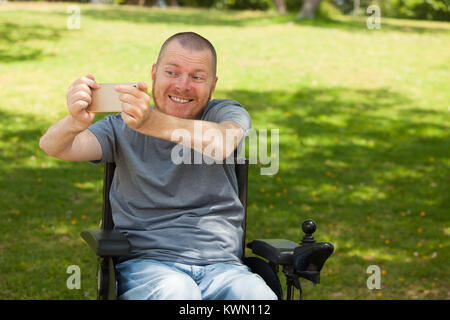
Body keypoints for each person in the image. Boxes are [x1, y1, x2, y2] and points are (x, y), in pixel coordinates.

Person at [39, 32, 277, 300]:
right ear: (154, 73)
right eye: (172, 72)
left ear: (213, 85)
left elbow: (223, 142)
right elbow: (54, 147)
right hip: (149, 266)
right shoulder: (120, 127)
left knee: (257, 296)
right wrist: (73, 122)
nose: (183, 85)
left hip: (224, 268)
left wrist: (149, 122)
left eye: (197, 77)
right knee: (178, 292)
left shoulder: (224, 113)